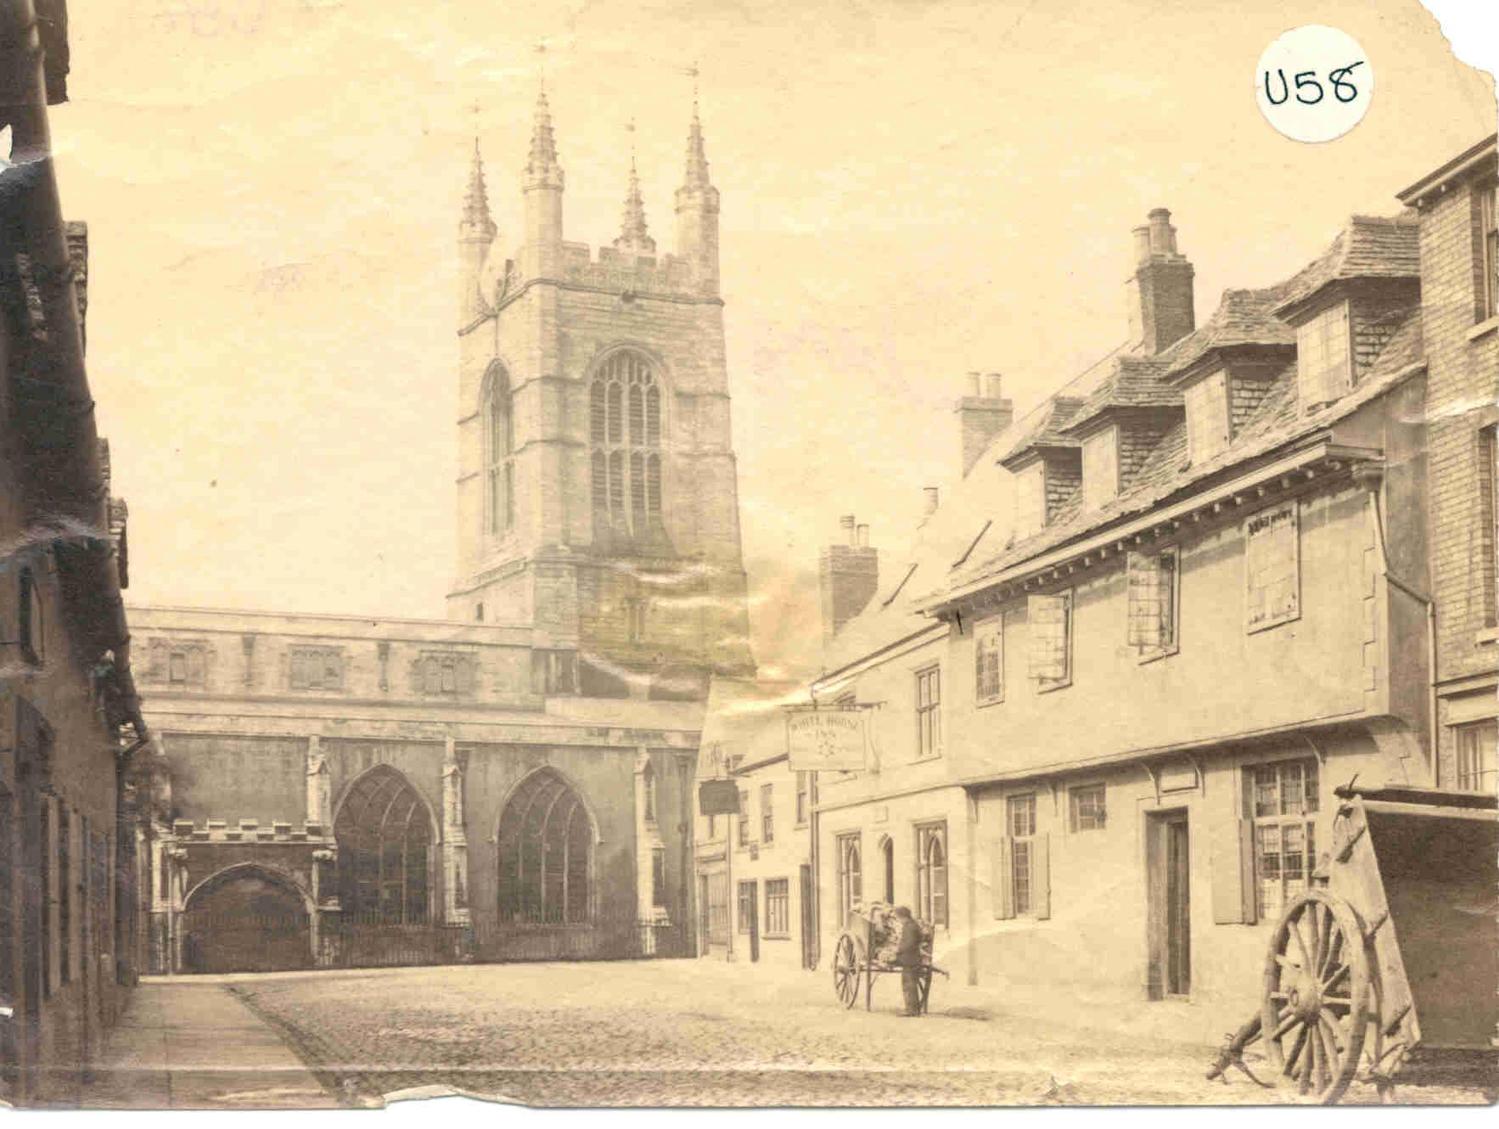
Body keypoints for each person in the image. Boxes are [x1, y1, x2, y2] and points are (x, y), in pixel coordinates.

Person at [892, 906, 924, 1016]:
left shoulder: (909, 927)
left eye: (899, 918)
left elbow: (908, 944)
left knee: (908, 985)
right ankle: (913, 1010)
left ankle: (911, 1010)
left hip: (910, 959)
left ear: (903, 917)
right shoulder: (913, 925)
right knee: (910, 984)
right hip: (913, 958)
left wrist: (897, 950)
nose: (899, 921)